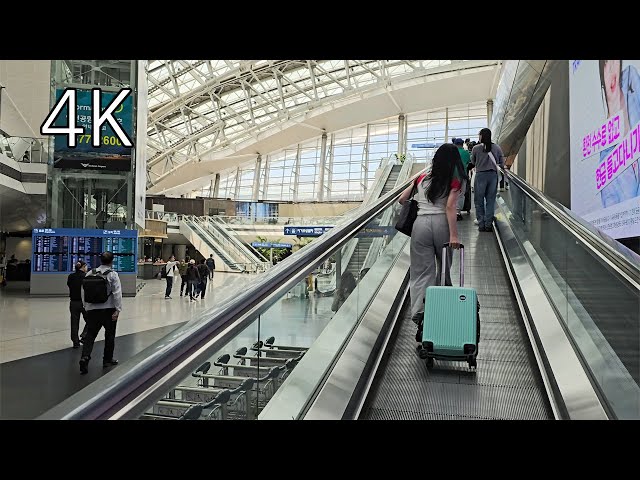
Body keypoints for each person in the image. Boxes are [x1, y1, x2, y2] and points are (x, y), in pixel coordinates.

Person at [399, 143, 462, 323]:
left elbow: (402, 199)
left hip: (420, 225)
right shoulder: (454, 179)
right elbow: (450, 207)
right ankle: (443, 308)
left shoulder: (421, 178)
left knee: (421, 271)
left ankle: (420, 312)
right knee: (444, 269)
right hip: (442, 223)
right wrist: (454, 235)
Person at [598, 60, 640, 207]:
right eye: (606, 65)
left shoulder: (631, 80)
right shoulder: (605, 153)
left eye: (615, 62)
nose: (611, 71)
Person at [79, 252, 122, 374]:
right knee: (109, 335)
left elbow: (84, 292)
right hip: (108, 310)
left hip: (93, 310)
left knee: (90, 335)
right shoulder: (112, 275)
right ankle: (107, 360)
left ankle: (85, 357)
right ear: (111, 261)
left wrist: (86, 306)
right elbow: (117, 293)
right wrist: (117, 310)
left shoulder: (90, 273)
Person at [471, 128, 505, 232]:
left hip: (481, 175)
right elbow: (501, 162)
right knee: (490, 200)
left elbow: (473, 161)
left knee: (479, 200)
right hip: (493, 176)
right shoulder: (497, 147)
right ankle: (488, 224)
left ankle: (481, 224)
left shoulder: (476, 148)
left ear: (481, 136)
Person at [67, 260, 88, 348]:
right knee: (91, 320)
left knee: (74, 323)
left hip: (73, 302)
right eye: (86, 266)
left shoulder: (71, 276)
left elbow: (69, 285)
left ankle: (75, 343)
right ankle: (84, 335)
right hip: (84, 303)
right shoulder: (86, 277)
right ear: (83, 267)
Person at [453, 138, 471, 219]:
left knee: (452, 193)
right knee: (461, 194)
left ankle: (450, 210)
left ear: (455, 144)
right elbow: (468, 163)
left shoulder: (451, 153)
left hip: (452, 176)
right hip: (462, 175)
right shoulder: (466, 153)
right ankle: (457, 212)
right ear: (462, 144)